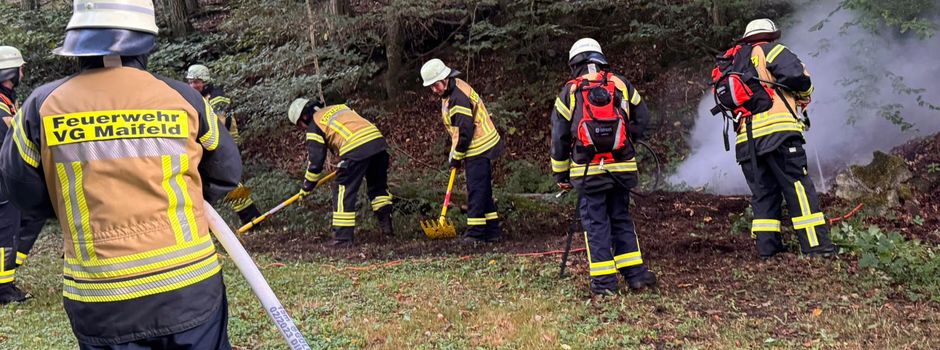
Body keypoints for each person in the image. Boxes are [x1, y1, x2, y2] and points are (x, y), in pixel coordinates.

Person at [0, 0, 241, 348]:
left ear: (76, 43)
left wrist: (70, 206)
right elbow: (226, 173)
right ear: (145, 42)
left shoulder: (39, 107)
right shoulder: (183, 98)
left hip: (101, 296)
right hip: (190, 287)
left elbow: (22, 191)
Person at [549, 38, 657, 295]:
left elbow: (559, 137)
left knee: (596, 223)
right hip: (622, 167)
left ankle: (604, 284)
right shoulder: (621, 84)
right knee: (620, 217)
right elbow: (643, 120)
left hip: (588, 172)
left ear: (574, 63)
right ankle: (636, 276)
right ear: (600, 58)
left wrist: (561, 172)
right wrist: (622, 139)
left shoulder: (570, 92)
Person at [728, 19, 837, 259]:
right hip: (779, 134)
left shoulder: (734, 62)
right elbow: (800, 79)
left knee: (764, 193)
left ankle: (769, 251)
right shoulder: (772, 50)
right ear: (771, 35)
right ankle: (817, 247)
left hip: (746, 141)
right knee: (798, 186)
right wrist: (803, 95)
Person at [287, 98, 394, 247]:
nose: (302, 128)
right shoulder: (338, 108)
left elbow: (316, 162)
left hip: (356, 148)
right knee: (378, 188)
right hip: (377, 143)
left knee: (343, 189)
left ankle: (343, 239)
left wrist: (307, 186)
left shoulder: (314, 124)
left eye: (300, 125)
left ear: (303, 117)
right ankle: (387, 228)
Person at [419, 58, 502, 244]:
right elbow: (458, 131)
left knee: (476, 190)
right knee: (483, 189)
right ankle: (492, 231)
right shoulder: (454, 89)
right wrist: (454, 153)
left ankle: (475, 233)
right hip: (479, 145)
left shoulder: (457, 98)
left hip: (479, 146)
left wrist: (457, 155)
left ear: (445, 78)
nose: (434, 90)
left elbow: (465, 131)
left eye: (436, 86)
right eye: (431, 87)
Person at [186, 64, 262, 225]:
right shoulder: (201, 97)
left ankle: (251, 216)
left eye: (197, 82)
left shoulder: (217, 98)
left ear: (205, 81)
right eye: (191, 82)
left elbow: (220, 125)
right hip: (213, 144)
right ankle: (249, 215)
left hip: (224, 145)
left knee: (227, 180)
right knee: (226, 181)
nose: (193, 85)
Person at [0, 45, 46, 304]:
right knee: (5, 231)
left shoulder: (8, 100)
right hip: (3, 180)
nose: (23, 73)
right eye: (20, 69)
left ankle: (8, 274)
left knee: (26, 220)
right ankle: (3, 288)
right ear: (9, 71)